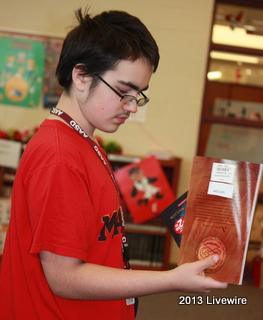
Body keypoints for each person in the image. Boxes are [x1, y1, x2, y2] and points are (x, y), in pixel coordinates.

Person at [0, 7, 227, 320]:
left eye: (139, 95)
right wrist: (172, 279)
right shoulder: (59, 156)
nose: (132, 106)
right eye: (123, 92)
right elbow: (65, 277)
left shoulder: (84, 141)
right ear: (81, 76)